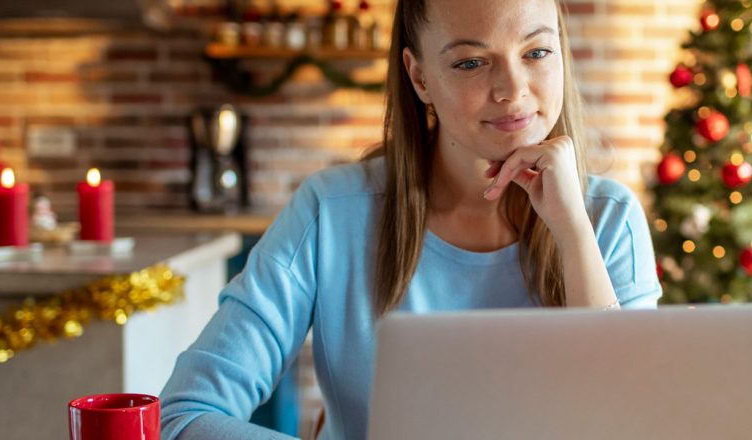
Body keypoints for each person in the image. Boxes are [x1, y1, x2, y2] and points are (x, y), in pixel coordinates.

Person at [159, 0, 660, 438]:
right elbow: (184, 415)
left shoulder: (608, 219)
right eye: (470, 62)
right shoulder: (329, 213)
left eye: (536, 52)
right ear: (420, 77)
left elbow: (637, 424)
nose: (512, 89)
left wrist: (573, 232)